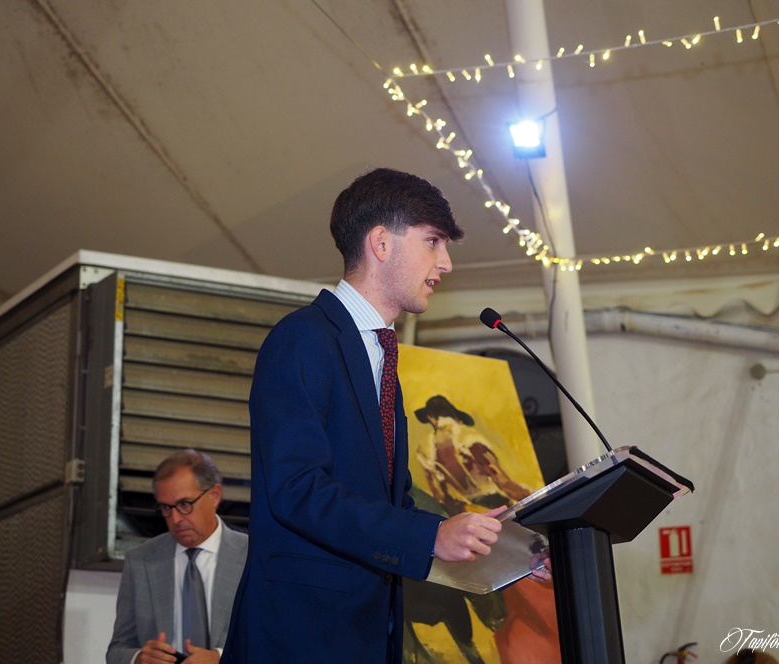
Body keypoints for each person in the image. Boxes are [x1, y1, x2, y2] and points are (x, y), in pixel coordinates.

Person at [221, 168, 551, 663]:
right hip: (302, 634)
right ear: (380, 242)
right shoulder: (302, 339)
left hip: (366, 632)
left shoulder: (380, 353)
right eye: (433, 241)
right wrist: (429, 537)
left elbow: (388, 505)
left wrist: (497, 547)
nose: (446, 263)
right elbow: (297, 489)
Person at [107, 449, 248, 664]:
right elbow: (117, 650)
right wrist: (138, 658)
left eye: (184, 504)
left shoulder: (250, 556)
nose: (175, 519)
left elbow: (273, 641)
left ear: (214, 495)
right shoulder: (141, 560)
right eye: (166, 507)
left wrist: (220, 658)